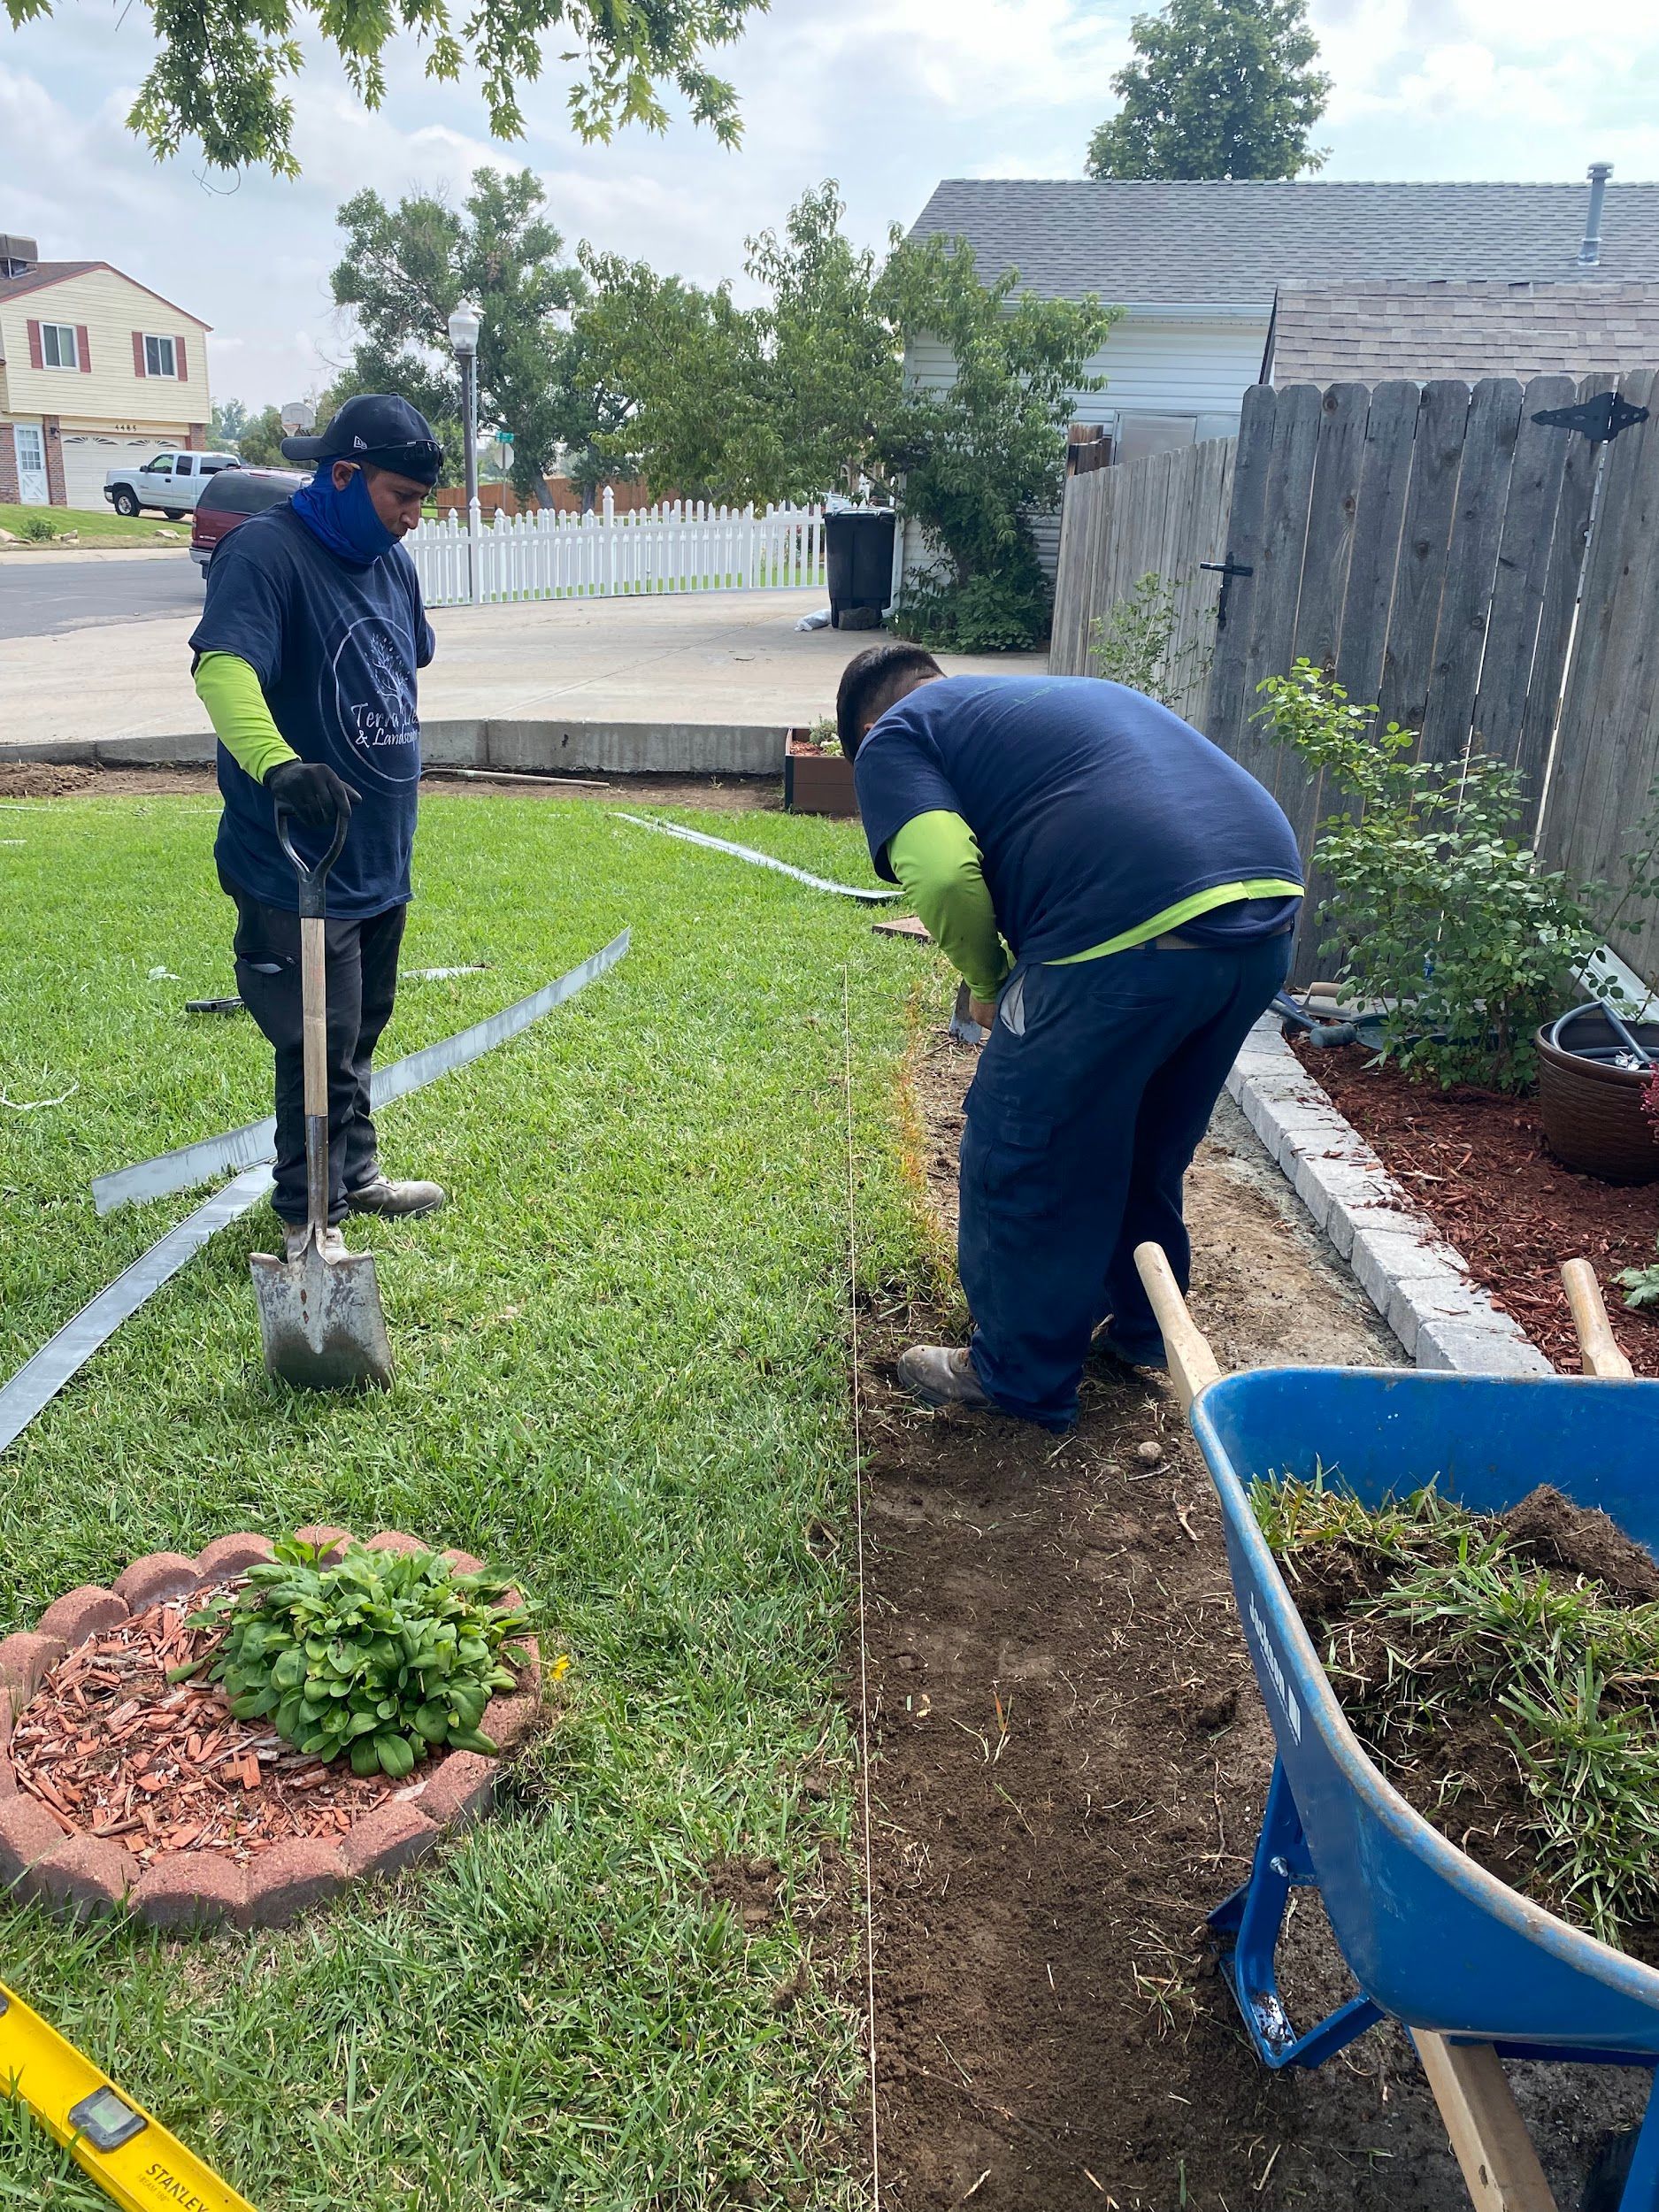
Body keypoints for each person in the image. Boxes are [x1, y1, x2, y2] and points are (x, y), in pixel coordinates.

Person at [839, 642, 1304, 1433]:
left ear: (869, 725)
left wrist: (988, 985)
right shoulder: (1030, 703)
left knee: (1021, 1144)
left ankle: (1016, 1375)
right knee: (1142, 1139)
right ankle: (1141, 1330)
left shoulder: (895, 734)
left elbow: (945, 874)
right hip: (1263, 914)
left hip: (1125, 928)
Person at [188, 395, 448, 1260]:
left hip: (378, 854)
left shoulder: (388, 561)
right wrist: (279, 765)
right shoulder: (263, 553)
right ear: (343, 475)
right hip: (295, 860)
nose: (412, 520)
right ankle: (309, 1213)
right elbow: (222, 669)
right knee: (317, 1038)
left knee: (361, 1026)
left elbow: (401, 661)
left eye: (421, 502)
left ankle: (357, 1175)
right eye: (399, 497)